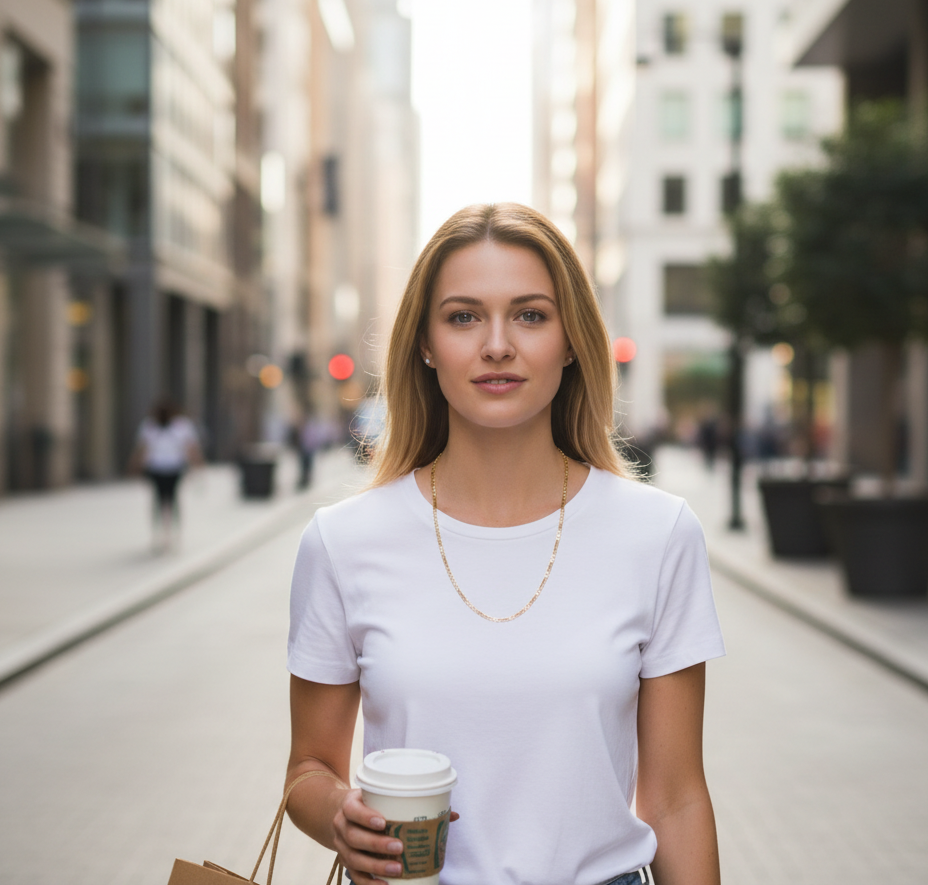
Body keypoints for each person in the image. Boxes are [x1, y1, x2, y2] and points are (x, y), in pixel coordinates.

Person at [285, 204, 725, 885]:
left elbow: (675, 800)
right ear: (426, 344)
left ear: (572, 339)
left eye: (530, 315)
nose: (496, 345)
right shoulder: (343, 542)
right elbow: (308, 769)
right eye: (463, 317)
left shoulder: (658, 534)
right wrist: (341, 811)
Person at [129, 399, 203, 553]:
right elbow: (142, 447)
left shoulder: (181, 426)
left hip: (174, 468)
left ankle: (173, 532)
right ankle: (159, 532)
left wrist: (197, 464)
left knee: (172, 498)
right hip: (156, 468)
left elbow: (190, 447)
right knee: (158, 499)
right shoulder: (149, 426)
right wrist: (135, 465)